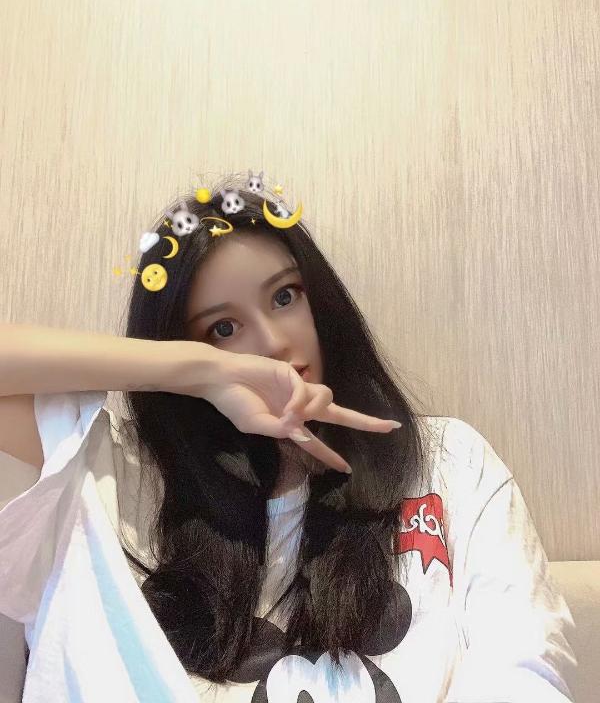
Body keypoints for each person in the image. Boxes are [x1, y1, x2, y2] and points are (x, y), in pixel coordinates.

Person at [0, 177, 578, 701]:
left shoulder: (449, 463)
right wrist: (201, 371)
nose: (274, 342)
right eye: (223, 328)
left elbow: (523, 669)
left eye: (284, 296)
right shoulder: (117, 478)